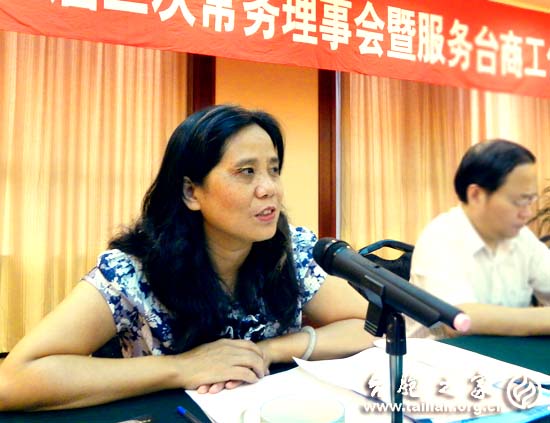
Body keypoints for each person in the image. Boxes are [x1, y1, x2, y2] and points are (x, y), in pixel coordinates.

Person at [0, 104, 373, 411]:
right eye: (246, 172)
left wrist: (266, 350)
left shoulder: (288, 251)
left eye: (273, 170)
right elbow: (14, 380)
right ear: (192, 193)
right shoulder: (132, 271)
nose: (269, 188)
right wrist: (181, 367)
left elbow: (373, 324)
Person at [408, 139, 550, 339]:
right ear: (476, 195)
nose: (527, 213)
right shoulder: (440, 237)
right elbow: (460, 319)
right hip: (440, 356)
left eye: (531, 200)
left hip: (503, 353)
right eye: (519, 201)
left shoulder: (520, 237)